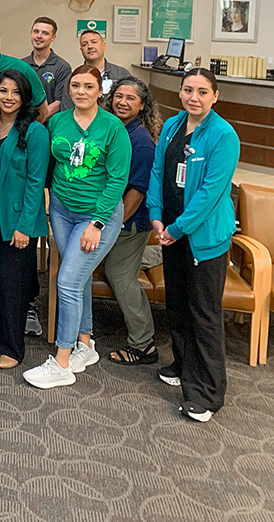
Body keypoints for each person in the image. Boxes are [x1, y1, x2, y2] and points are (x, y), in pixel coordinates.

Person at [23, 64, 130, 389]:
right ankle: (86, 343)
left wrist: (96, 223)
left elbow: (117, 180)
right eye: (75, 86)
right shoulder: (57, 121)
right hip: (61, 208)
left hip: (98, 216)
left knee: (67, 281)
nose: (81, 91)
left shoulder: (113, 128)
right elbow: (48, 162)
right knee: (78, 279)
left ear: (101, 90)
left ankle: (62, 361)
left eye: (88, 86)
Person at [147, 68, 240, 423]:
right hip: (170, 229)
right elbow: (158, 171)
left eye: (202, 91)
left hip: (202, 238)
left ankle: (207, 392)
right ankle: (184, 365)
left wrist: (176, 228)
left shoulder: (223, 135)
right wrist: (156, 215)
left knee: (204, 314)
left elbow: (210, 193)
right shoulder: (172, 125)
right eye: (188, 90)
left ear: (215, 96)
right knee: (178, 306)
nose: (194, 98)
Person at [0, 70, 49, 369]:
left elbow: (35, 181)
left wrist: (25, 226)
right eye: (3, 91)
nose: (8, 97)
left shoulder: (34, 131)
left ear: (25, 96)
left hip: (17, 216)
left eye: (15, 92)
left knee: (12, 284)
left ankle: (13, 347)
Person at [104, 77, 161, 366]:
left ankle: (144, 344)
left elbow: (137, 192)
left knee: (119, 275)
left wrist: (111, 226)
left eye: (131, 98)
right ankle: (159, 252)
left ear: (142, 105)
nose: (123, 102)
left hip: (130, 221)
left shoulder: (140, 140)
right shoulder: (113, 128)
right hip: (114, 218)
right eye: (119, 96)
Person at [22, 17, 71, 115]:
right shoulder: (21, 65)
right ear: (31, 33)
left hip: (50, 125)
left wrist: (36, 120)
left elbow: (59, 102)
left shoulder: (62, 67)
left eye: (45, 33)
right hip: (22, 123)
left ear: (53, 37)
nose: (39, 36)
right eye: (36, 31)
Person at [79, 30, 129, 98]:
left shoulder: (121, 74)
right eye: (84, 44)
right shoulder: (75, 78)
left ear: (104, 45)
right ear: (81, 50)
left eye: (94, 42)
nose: (90, 46)